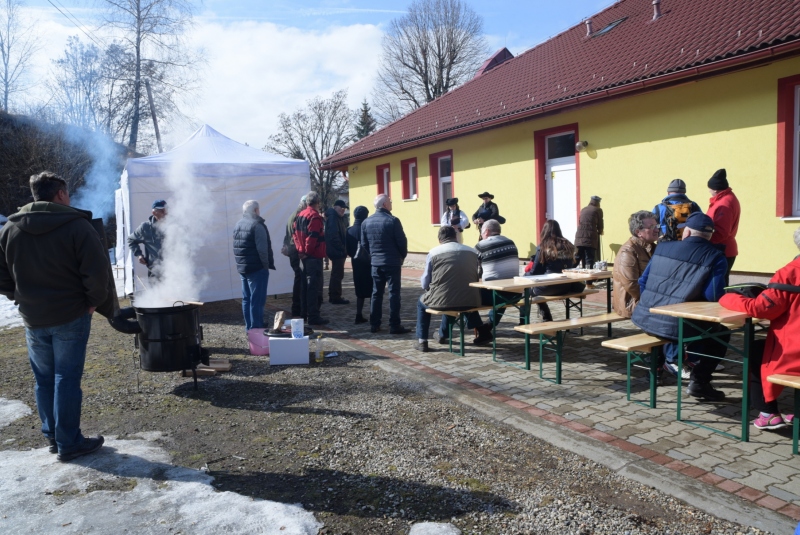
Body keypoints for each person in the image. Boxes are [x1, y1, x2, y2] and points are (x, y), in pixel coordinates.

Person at [0, 171, 110, 461]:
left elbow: (1, 276)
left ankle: (53, 436)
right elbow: (97, 272)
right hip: (70, 315)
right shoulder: (76, 225)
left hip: (33, 318)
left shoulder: (9, 228)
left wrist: (19, 297)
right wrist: (93, 302)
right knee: (66, 379)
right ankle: (69, 443)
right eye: (68, 193)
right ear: (60, 194)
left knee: (45, 379)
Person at [631, 212, 729, 400]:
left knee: (666, 326)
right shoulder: (716, 256)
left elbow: (642, 281)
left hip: (644, 317)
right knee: (721, 334)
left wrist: (652, 304)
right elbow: (714, 296)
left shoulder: (663, 248)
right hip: (676, 324)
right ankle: (699, 382)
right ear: (709, 235)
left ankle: (656, 370)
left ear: (687, 233)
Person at [719, 227, 800, 431]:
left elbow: (760, 309)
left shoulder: (791, 272)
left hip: (794, 350)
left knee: (755, 351)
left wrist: (727, 296)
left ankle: (768, 413)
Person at [415, 226, 489, 351]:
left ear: (439, 239)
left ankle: (422, 341)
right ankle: (444, 334)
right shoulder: (472, 251)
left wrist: (430, 287)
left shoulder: (433, 253)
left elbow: (424, 283)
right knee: (458, 296)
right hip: (471, 299)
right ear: (456, 237)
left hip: (445, 299)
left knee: (422, 302)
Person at [360, 194, 410, 334]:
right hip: (392, 262)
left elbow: (364, 243)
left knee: (376, 293)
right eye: (390, 202)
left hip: (376, 263)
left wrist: (374, 255)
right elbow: (402, 242)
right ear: (385, 205)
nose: (391, 203)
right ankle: (394, 325)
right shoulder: (392, 221)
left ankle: (374, 324)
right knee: (394, 294)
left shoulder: (366, 222)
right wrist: (401, 256)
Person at [525, 220, 585, 322]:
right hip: (565, 286)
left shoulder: (543, 247)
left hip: (547, 288)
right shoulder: (568, 245)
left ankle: (538, 318)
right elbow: (572, 266)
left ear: (544, 231)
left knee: (526, 290)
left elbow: (534, 272)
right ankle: (545, 317)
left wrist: (524, 275)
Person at [233, 200, 276, 331]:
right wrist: (265, 266)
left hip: (243, 267)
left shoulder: (238, 224)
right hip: (257, 268)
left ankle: (249, 328)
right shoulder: (257, 225)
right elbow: (262, 249)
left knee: (247, 299)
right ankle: (256, 329)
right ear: (256, 210)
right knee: (257, 301)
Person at [474, 219, 521, 330]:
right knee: (502, 291)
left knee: (466, 295)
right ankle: (489, 325)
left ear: (486, 232)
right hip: (516, 294)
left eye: (481, 232)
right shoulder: (511, 242)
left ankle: (478, 326)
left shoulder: (481, 246)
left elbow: (471, 269)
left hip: (495, 295)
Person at [612, 211, 658, 318]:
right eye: (651, 227)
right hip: (632, 303)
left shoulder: (652, 247)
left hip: (646, 299)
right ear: (639, 232)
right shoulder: (628, 251)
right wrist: (653, 298)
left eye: (656, 225)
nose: (656, 229)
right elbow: (632, 286)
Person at [292, 191, 329, 326]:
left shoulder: (299, 215)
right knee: (313, 288)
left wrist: (300, 251)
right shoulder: (315, 217)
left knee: (304, 287)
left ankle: (304, 314)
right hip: (313, 257)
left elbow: (295, 235)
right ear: (317, 203)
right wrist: (307, 252)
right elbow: (312, 237)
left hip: (303, 256)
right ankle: (313, 316)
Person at [706, 168, 741, 287]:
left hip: (722, 250)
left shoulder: (723, 204)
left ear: (715, 189)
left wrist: (704, 242)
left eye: (709, 189)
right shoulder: (727, 198)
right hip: (726, 249)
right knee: (721, 283)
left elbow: (721, 232)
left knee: (717, 286)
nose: (709, 191)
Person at [127, 199, 167, 279]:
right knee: (158, 291)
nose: (165, 213)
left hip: (175, 270)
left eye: (166, 210)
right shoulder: (145, 228)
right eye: (162, 211)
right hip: (155, 272)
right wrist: (139, 255)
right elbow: (131, 240)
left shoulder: (175, 225)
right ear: (154, 213)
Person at [346, 206, 372, 324]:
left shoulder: (349, 230)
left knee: (359, 290)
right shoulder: (367, 228)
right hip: (369, 263)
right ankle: (373, 315)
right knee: (373, 290)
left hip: (356, 263)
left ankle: (358, 314)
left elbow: (347, 249)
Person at [283, 196, 306, 318]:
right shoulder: (299, 216)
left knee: (298, 279)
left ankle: (297, 308)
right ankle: (298, 309)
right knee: (300, 281)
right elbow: (297, 236)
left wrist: (285, 246)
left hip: (293, 251)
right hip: (297, 251)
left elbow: (287, 235)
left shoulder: (292, 215)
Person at [325, 199, 350, 305]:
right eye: (342, 208)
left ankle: (333, 295)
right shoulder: (333, 218)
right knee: (337, 274)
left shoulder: (336, 217)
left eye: (344, 208)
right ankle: (335, 296)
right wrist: (343, 249)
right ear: (335, 207)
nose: (343, 210)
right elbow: (334, 236)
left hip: (337, 250)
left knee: (336, 274)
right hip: (337, 251)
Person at [574, 195, 604, 275]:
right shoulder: (598, 210)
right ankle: (589, 282)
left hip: (579, 237)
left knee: (577, 258)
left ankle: (567, 277)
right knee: (589, 259)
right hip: (590, 238)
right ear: (598, 203)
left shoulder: (583, 209)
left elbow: (580, 221)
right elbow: (600, 223)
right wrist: (601, 231)